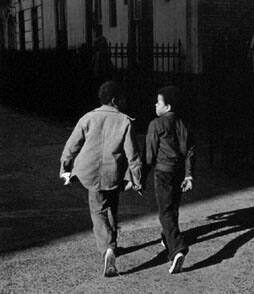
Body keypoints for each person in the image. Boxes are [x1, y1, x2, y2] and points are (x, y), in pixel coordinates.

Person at [59, 81, 144, 277]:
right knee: (112, 207)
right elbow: (133, 155)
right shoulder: (125, 121)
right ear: (115, 100)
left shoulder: (88, 118)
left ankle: (107, 248)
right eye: (122, 98)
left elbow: (71, 145)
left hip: (90, 173)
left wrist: (65, 166)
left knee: (97, 211)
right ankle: (112, 244)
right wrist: (137, 180)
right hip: (114, 173)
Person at [145, 85, 194, 274]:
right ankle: (167, 237)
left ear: (168, 106)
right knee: (173, 207)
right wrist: (189, 174)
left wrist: (140, 177)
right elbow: (190, 150)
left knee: (164, 211)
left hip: (163, 171)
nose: (155, 105)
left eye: (159, 102)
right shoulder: (183, 123)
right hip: (179, 171)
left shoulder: (156, 125)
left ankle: (177, 248)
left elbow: (149, 155)